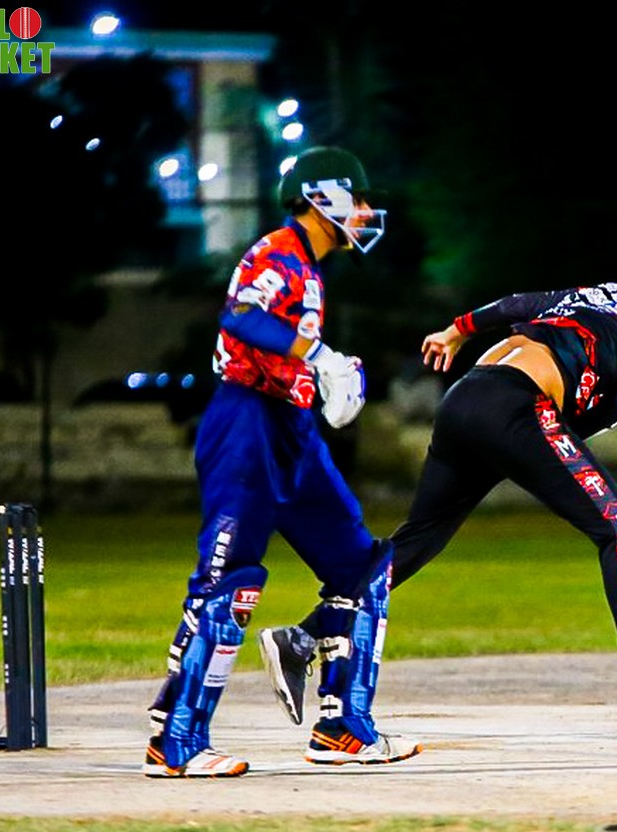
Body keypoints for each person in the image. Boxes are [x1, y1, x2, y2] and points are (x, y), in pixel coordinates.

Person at [259, 257, 617, 726]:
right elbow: (587, 423)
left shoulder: (612, 293)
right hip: (516, 406)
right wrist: (530, 452)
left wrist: (457, 330)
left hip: (465, 396)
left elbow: (519, 304)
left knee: (415, 541)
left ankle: (299, 640)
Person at [142, 146, 421, 778]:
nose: (366, 211)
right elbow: (241, 316)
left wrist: (325, 370)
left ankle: (343, 728)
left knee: (363, 570)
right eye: (358, 198)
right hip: (247, 423)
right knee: (229, 580)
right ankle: (176, 742)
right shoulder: (278, 252)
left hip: (290, 428)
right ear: (325, 197)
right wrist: (319, 356)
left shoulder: (311, 268)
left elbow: (283, 342)